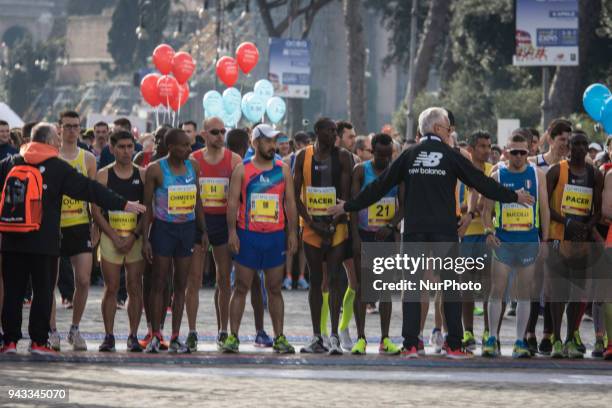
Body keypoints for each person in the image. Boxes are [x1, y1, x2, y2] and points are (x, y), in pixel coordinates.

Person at [329, 107, 534, 359]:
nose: (450, 132)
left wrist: (348, 206)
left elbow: (379, 186)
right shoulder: (450, 154)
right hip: (444, 231)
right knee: (450, 287)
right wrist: (514, 195)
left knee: (413, 288)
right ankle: (454, 345)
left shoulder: (409, 154)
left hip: (414, 230)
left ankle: (411, 344)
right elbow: (480, 182)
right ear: (437, 128)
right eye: (448, 128)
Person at [0, 123, 144, 355]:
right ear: (47, 142)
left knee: (13, 293)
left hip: (11, 240)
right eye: (56, 138)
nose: (59, 142)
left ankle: (9, 342)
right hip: (43, 242)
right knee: (43, 291)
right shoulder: (57, 167)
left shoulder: (11, 162)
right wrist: (124, 203)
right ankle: (38, 342)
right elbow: (90, 189)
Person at [221, 124, 298, 354]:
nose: (272, 145)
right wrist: (232, 232)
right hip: (248, 235)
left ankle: (279, 337)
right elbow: (232, 202)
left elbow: (291, 203)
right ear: (255, 143)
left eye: (274, 141)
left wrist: (293, 232)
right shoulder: (242, 169)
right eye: (267, 141)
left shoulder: (282, 169)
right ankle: (233, 337)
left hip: (275, 237)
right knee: (242, 286)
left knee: (274, 288)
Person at [481, 133, 549, 358]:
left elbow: (545, 210)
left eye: (523, 152)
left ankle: (520, 341)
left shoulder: (537, 175)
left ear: (529, 152)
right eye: (514, 152)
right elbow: (486, 210)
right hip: (504, 240)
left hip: (528, 241)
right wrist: (488, 231)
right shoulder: (497, 174)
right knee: (497, 290)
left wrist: (546, 240)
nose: (518, 156)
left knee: (523, 293)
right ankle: (492, 338)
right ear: (506, 151)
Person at [142, 128, 207, 353]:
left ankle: (176, 335)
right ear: (171, 148)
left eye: (190, 145)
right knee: (159, 283)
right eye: (185, 146)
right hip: (163, 230)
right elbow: (146, 207)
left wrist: (203, 231)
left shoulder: (193, 167)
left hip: (187, 230)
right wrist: (145, 240)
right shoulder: (155, 170)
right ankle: (155, 333)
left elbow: (197, 200)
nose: (190, 149)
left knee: (181, 284)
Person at [294, 118, 354, 355]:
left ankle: (335, 336)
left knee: (337, 279)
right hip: (311, 228)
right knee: (316, 281)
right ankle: (317, 335)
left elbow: (347, 195)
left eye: (334, 132)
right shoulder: (303, 157)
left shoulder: (343, 157)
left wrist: (333, 223)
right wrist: (311, 223)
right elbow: (296, 194)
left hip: (337, 226)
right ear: (317, 132)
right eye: (328, 131)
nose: (333, 135)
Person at [546, 131, 603, 358]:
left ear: (587, 147)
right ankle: (556, 339)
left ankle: (571, 337)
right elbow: (545, 207)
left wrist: (588, 225)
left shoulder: (594, 174)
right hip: (559, 238)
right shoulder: (555, 171)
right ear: (568, 147)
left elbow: (597, 209)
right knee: (558, 291)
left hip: (582, 241)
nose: (579, 148)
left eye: (583, 144)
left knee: (577, 292)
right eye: (575, 144)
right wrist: (566, 222)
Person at [189, 117, 242, 352]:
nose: (220, 136)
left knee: (223, 280)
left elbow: (238, 198)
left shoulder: (234, 160)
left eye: (223, 132)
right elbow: (191, 196)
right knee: (194, 281)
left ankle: (223, 330)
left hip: (223, 222)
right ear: (204, 135)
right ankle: (191, 331)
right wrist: (200, 226)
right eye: (214, 132)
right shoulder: (194, 160)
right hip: (199, 223)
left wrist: (233, 230)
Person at [92, 131, 146, 352]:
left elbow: (148, 210)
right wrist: (113, 236)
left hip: (135, 238)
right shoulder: (103, 176)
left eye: (130, 146)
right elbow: (94, 210)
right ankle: (109, 335)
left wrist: (133, 236)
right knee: (111, 287)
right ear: (112, 149)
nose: (126, 151)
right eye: (121, 147)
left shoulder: (142, 174)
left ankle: (133, 336)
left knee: (135, 287)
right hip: (110, 237)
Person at [48, 110, 98, 352]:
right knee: (49, 282)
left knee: (84, 280)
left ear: (80, 128)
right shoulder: (52, 156)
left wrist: (96, 224)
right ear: (59, 128)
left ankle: (75, 329)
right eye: (67, 126)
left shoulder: (87, 159)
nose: (71, 130)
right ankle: (52, 330)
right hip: (54, 226)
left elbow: (93, 195)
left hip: (79, 225)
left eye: (75, 126)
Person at [350, 133, 403, 355]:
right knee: (363, 288)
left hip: (386, 236)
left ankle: (384, 339)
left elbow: (404, 205)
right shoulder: (361, 170)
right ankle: (360, 338)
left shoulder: (397, 172)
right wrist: (355, 238)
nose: (384, 159)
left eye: (388, 155)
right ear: (372, 151)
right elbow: (352, 205)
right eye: (380, 154)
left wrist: (390, 226)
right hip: (365, 234)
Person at [525, 119, 571, 355]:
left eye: (568, 140)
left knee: (553, 287)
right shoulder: (535, 164)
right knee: (535, 283)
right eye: (562, 139)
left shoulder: (572, 167)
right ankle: (529, 332)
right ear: (551, 139)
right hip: (535, 230)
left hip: (560, 234)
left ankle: (548, 334)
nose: (566, 144)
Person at [455, 130, 494, 353]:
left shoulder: (494, 171)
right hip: (467, 234)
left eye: (489, 146)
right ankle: (467, 331)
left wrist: (486, 209)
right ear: (471, 149)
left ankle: (489, 330)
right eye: (482, 146)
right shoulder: (461, 174)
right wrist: (469, 210)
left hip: (490, 233)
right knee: (466, 285)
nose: (487, 150)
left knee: (490, 285)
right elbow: (457, 205)